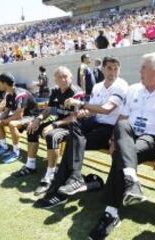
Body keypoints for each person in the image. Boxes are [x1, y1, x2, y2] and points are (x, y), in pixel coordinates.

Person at [88, 53, 155, 240]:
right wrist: (113, 139)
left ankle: (111, 213)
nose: (139, 70)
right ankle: (130, 180)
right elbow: (123, 118)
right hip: (128, 136)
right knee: (122, 130)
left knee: (121, 153)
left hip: (152, 140)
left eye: (144, 67)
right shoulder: (133, 89)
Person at [34, 56, 128, 209]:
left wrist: (81, 103)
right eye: (109, 68)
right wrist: (82, 112)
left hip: (110, 130)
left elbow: (107, 109)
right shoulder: (98, 86)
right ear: (103, 69)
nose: (112, 72)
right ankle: (74, 181)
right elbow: (93, 110)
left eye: (116, 68)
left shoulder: (121, 85)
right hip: (95, 124)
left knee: (73, 142)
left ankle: (60, 189)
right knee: (74, 128)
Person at [11, 66, 81, 195]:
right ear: (55, 79)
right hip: (59, 122)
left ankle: (50, 175)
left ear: (71, 77)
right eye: (59, 77)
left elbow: (74, 117)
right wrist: (38, 119)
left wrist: (54, 125)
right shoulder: (55, 90)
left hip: (73, 126)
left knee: (51, 136)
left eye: (65, 76)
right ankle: (31, 165)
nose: (63, 79)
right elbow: (49, 109)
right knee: (32, 129)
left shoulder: (76, 92)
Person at [0, 73, 37, 163]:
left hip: (31, 117)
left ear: (4, 83)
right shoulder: (9, 94)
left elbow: (19, 115)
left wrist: (3, 121)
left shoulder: (20, 94)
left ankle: (16, 152)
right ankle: (4, 147)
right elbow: (6, 111)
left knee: (12, 124)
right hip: (21, 116)